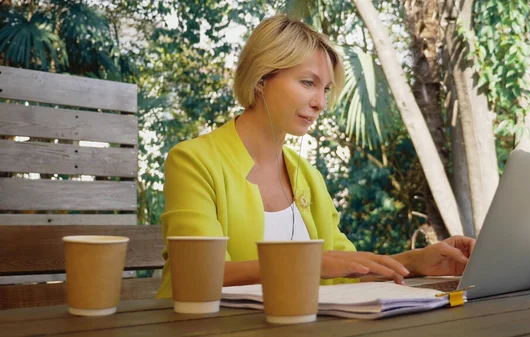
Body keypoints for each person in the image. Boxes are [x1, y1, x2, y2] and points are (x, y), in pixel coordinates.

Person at [156, 14, 474, 299]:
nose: (320, 102)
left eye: (325, 89)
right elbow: (197, 275)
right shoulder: (193, 161)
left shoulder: (305, 176)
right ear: (261, 78)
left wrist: (415, 262)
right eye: (308, 83)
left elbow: (343, 269)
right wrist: (313, 262)